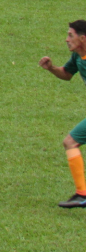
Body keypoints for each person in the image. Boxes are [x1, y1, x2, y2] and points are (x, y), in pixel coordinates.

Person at [38, 20, 86, 208]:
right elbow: (66, 74)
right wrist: (51, 68)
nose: (66, 39)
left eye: (70, 35)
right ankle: (81, 193)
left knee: (70, 142)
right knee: (70, 142)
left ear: (83, 38)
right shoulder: (77, 56)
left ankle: (82, 194)